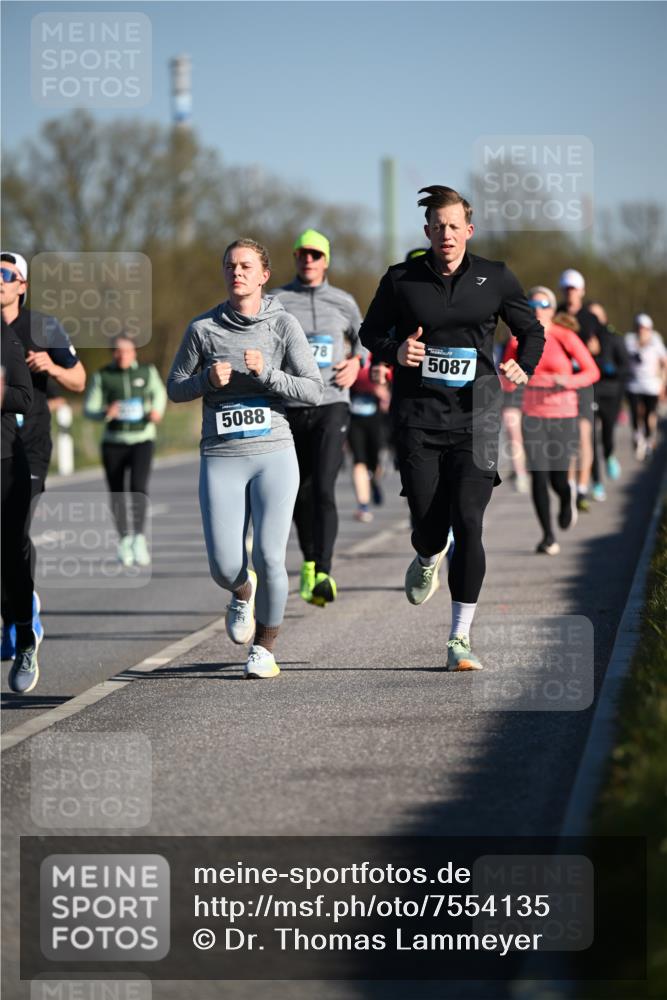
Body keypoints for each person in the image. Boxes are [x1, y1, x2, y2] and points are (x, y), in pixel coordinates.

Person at [359, 185, 544, 671]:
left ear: (469, 229)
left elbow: (532, 331)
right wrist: (395, 352)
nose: (446, 233)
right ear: (427, 231)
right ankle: (426, 555)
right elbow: (370, 333)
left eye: (453, 225)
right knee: (429, 525)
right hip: (418, 417)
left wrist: (524, 363)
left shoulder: (496, 277)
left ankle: (459, 638)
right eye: (437, 226)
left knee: (469, 521)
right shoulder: (401, 279)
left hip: (477, 416)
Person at [167, 239, 322, 679]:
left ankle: (265, 648)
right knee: (224, 565)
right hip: (221, 456)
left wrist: (267, 374)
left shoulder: (283, 325)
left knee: (272, 556)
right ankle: (240, 592)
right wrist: (204, 380)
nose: (238, 272)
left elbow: (313, 390)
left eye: (246, 266)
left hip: (274, 452)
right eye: (231, 265)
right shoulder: (203, 329)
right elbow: (175, 387)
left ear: (263, 275)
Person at [271, 229, 364, 607]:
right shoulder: (275, 300)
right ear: (295, 258)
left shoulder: (343, 302)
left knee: (324, 486)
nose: (308, 260)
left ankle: (323, 570)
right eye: (302, 254)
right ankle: (309, 562)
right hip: (290, 406)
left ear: (326, 260)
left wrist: (357, 362)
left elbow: (365, 341)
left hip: (331, 402)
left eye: (315, 254)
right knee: (299, 490)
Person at [0, 251, 86, 658]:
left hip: (30, 448)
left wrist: (51, 366)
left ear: (23, 285)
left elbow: (80, 380)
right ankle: (16, 612)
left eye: (6, 274)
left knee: (15, 533)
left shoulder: (42, 326)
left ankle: (22, 616)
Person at [502, 287, 599, 554]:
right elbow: (507, 384)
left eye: (544, 304)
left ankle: (567, 497)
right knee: (538, 477)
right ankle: (547, 536)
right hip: (532, 416)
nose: (537, 309)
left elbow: (592, 371)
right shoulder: (516, 342)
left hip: (563, 415)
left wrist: (567, 380)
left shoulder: (565, 336)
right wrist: (510, 378)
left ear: (553, 309)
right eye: (532, 304)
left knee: (557, 478)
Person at [84, 335, 167, 567]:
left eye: (127, 351)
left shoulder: (146, 372)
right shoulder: (102, 376)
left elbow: (159, 394)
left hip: (142, 439)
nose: (123, 355)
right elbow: (89, 408)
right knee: (117, 492)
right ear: (113, 353)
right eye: (118, 351)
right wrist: (104, 411)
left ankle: (139, 539)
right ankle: (124, 540)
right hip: (113, 442)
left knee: (138, 488)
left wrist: (156, 411)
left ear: (134, 353)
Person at [1, 319, 40, 692]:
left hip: (5, 465)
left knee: (11, 556)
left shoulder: (7, 342)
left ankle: (26, 638)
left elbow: (24, 398)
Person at [557, 268, 603, 512]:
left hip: (583, 383)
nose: (570, 293)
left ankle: (582, 489)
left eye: (573, 288)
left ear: (582, 291)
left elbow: (599, 350)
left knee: (584, 436)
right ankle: (571, 485)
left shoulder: (590, 317)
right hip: (561, 385)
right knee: (567, 440)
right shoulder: (556, 315)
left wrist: (592, 350)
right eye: (566, 288)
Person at [586, 302, 630, 499]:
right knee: (590, 440)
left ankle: (610, 454)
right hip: (589, 391)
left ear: (604, 318)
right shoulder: (583, 339)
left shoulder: (615, 339)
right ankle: (596, 482)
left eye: (598, 316)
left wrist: (609, 368)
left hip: (610, 393)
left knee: (607, 435)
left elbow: (626, 368)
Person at [348, 355, 391, 522]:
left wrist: (385, 392)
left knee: (375, 464)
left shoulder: (378, 353)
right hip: (354, 419)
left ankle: (373, 481)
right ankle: (363, 506)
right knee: (358, 462)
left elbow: (389, 378)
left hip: (376, 419)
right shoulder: (350, 355)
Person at [624, 313, 667, 460]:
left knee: (650, 413)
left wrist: (663, 383)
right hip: (633, 384)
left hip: (651, 385)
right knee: (636, 412)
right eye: (640, 327)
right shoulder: (629, 340)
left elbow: (664, 363)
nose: (642, 330)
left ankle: (649, 439)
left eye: (645, 328)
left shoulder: (656, 341)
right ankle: (637, 435)